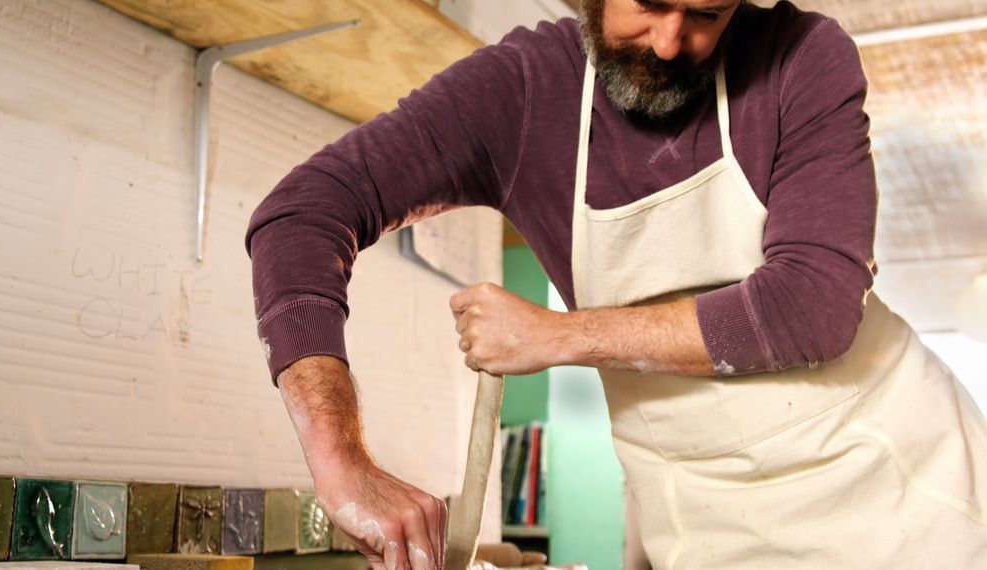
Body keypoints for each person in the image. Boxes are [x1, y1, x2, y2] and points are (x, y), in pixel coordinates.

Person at [245, 0, 987, 567]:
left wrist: (559, 337)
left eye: (707, 13)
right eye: (650, 4)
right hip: (707, 528)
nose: (672, 43)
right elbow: (301, 213)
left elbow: (813, 305)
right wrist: (342, 465)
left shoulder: (803, 57)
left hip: (899, 497)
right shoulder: (523, 94)